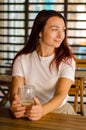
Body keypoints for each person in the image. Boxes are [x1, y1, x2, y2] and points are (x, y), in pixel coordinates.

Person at [10, 10, 76, 121]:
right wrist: (16, 106)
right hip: (30, 112)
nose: (61, 35)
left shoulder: (67, 61)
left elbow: (60, 95)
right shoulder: (21, 59)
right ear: (40, 32)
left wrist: (42, 111)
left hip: (60, 112)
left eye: (63, 30)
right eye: (55, 29)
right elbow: (16, 93)